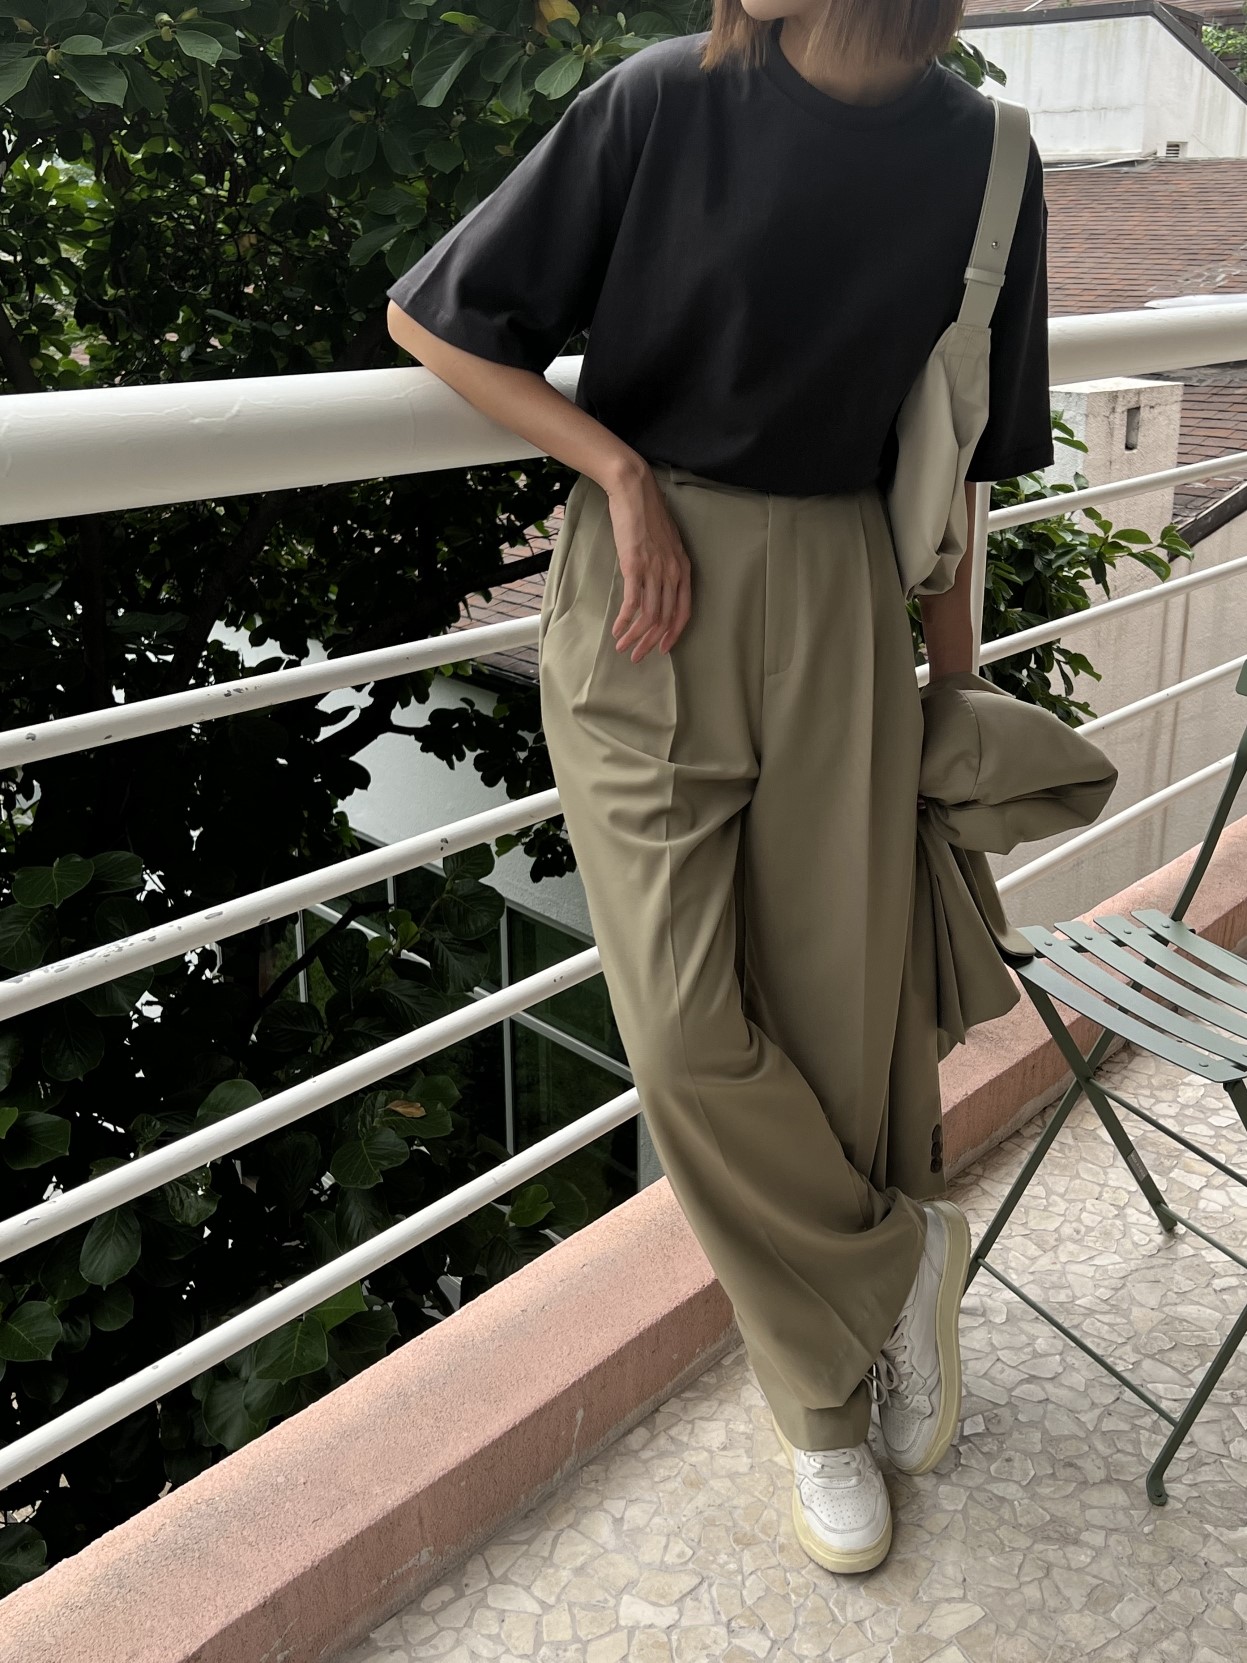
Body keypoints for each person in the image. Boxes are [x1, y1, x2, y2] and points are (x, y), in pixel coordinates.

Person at [385, 0, 1054, 1575]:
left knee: (839, 1016)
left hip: (844, 592)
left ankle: (824, 1412)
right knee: (686, 1025)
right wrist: (615, 467)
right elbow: (440, 321)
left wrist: (953, 696)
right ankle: (894, 1267)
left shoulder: (989, 158)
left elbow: (958, 459)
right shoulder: (661, 103)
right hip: (647, 585)